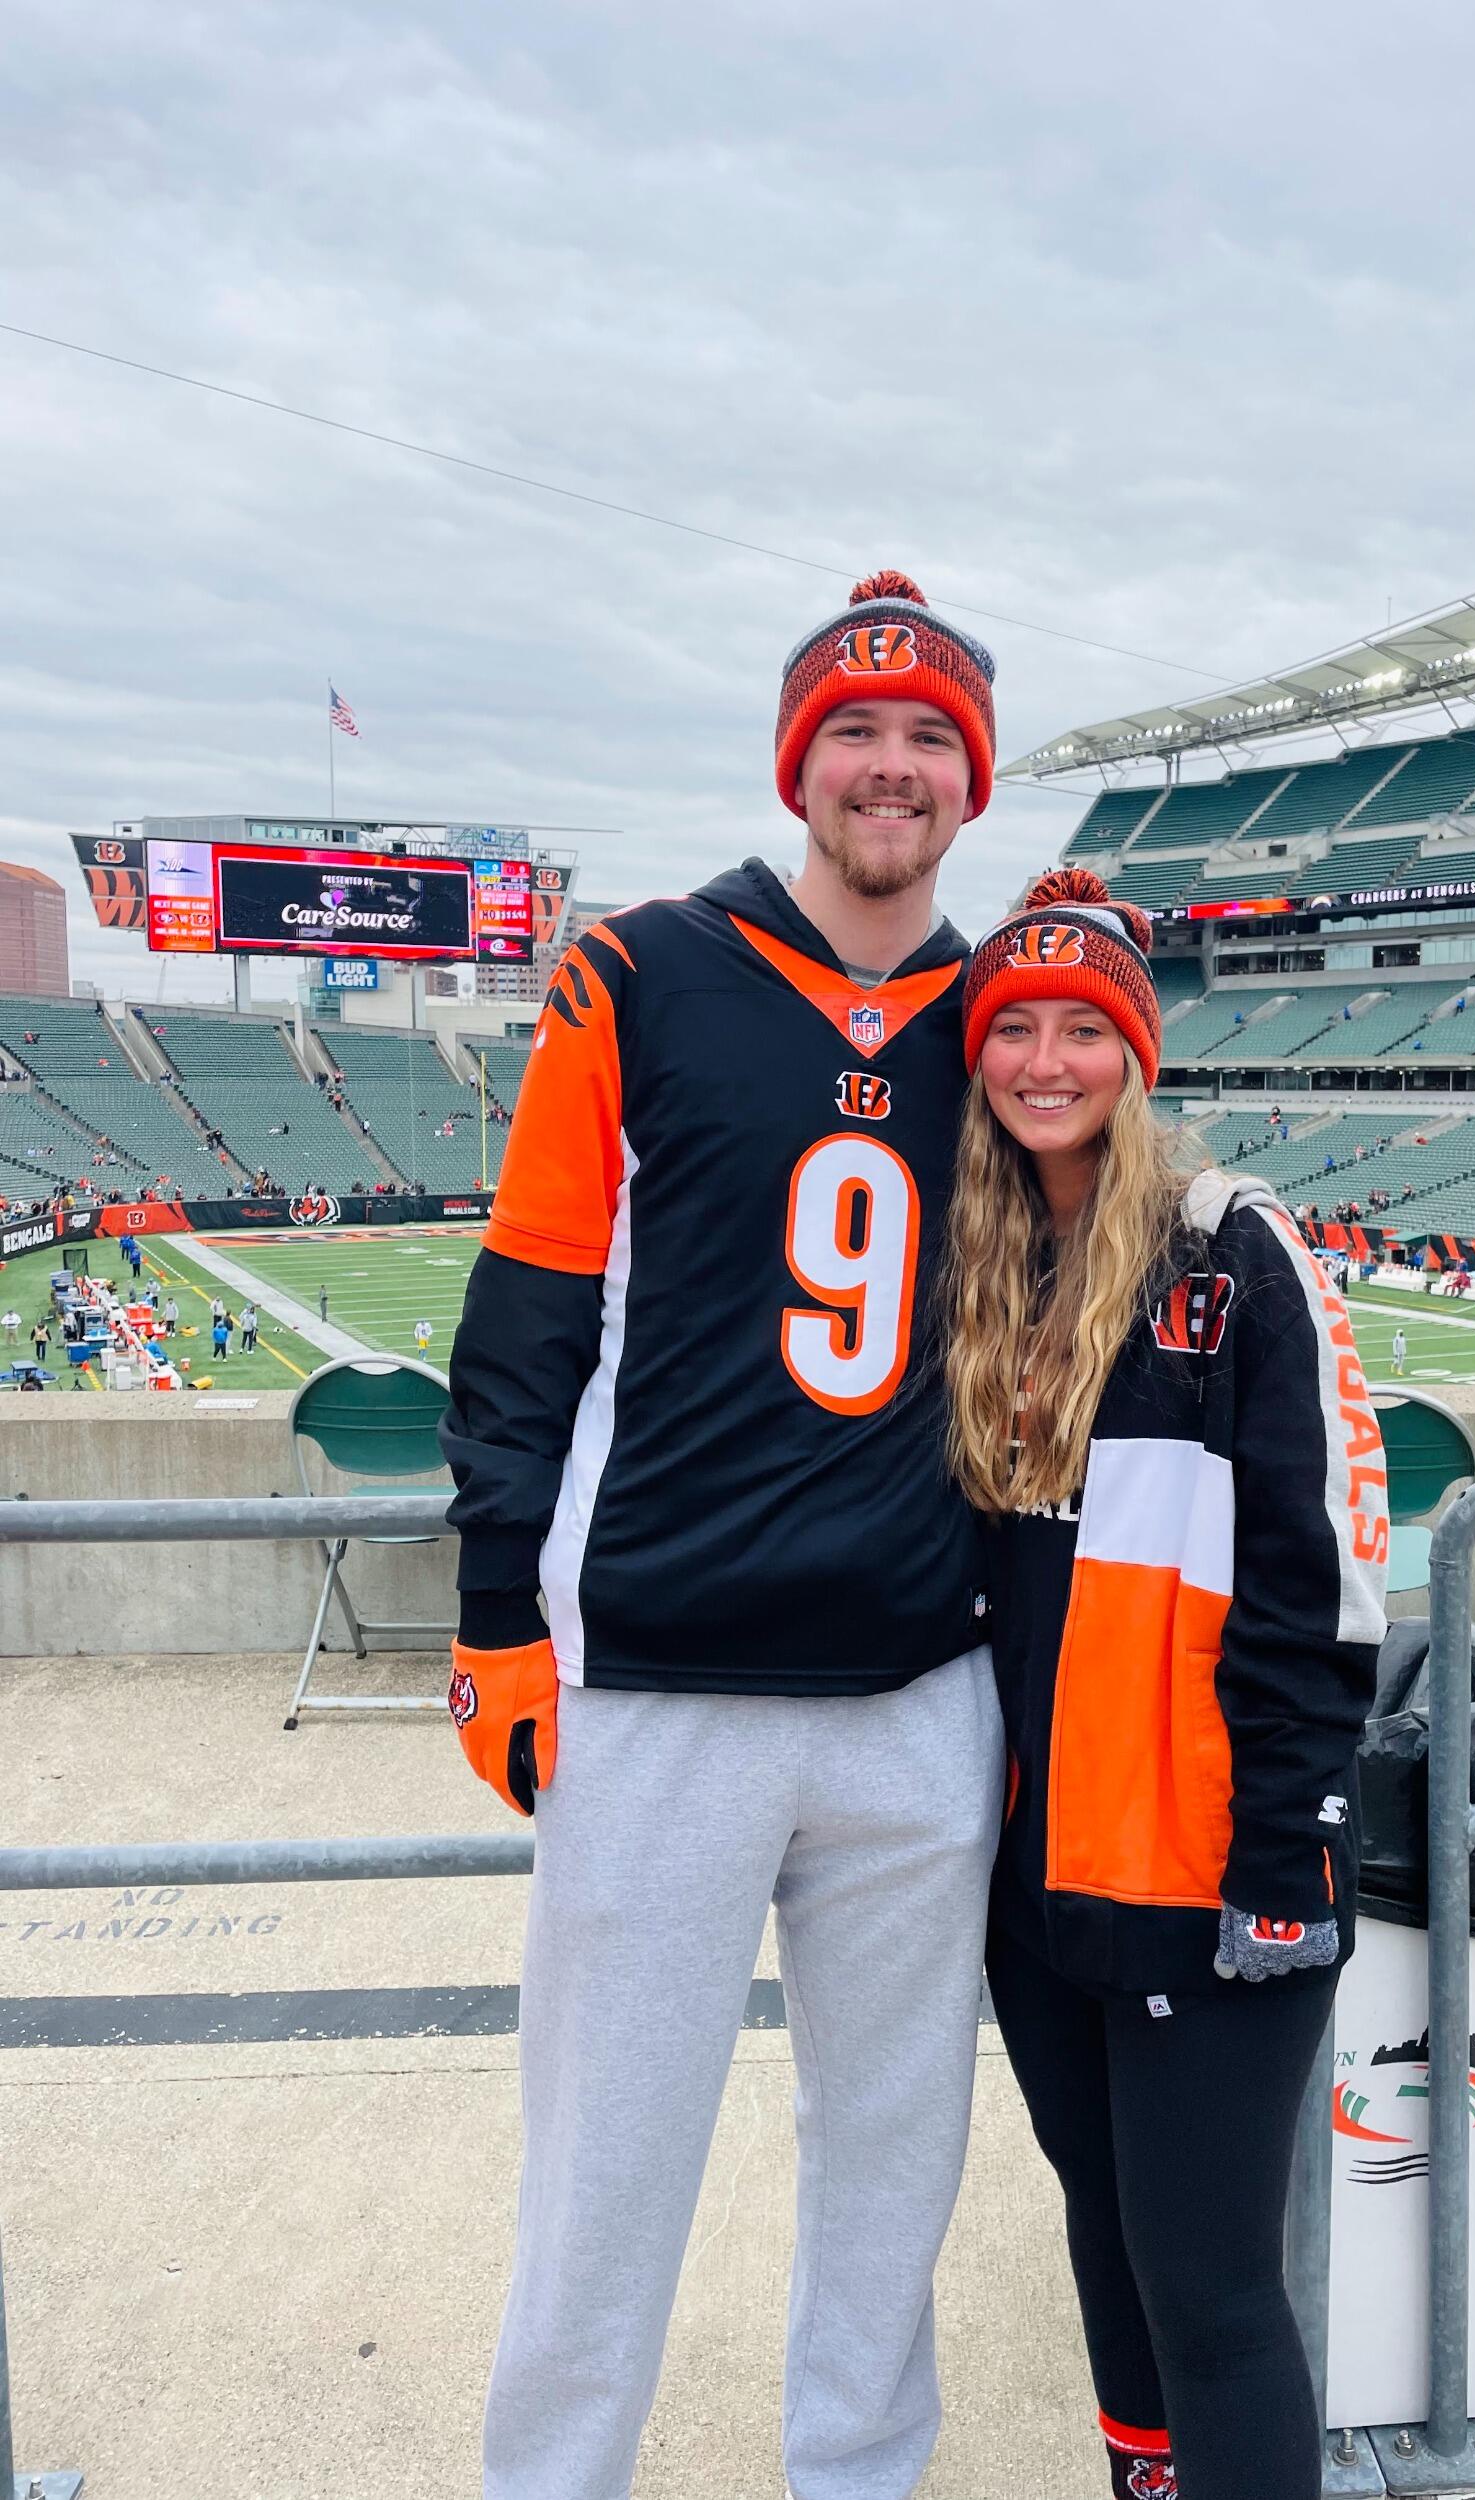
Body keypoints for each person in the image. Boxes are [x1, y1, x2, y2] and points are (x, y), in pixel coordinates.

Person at [439, 570, 1004, 2500]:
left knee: (895, 2174)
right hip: (664, 1680)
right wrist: (495, 1617)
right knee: (604, 2169)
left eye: (931, 735)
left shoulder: (1012, 1016)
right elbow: (519, 1316)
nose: (892, 764)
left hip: (922, 1691)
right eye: (857, 730)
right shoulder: (641, 969)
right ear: (798, 761)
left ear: (973, 781)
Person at [944, 867, 1384, 2500]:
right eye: (1015, 1029)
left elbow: (1325, 1576)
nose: (1045, 1060)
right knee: (1110, 2238)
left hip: (1205, 1868)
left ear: (1137, 1056)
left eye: (1084, 1029)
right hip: (1035, 1874)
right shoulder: (984, 1264)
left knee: (1212, 2290)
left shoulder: (1236, 1255)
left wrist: (1289, 1848)